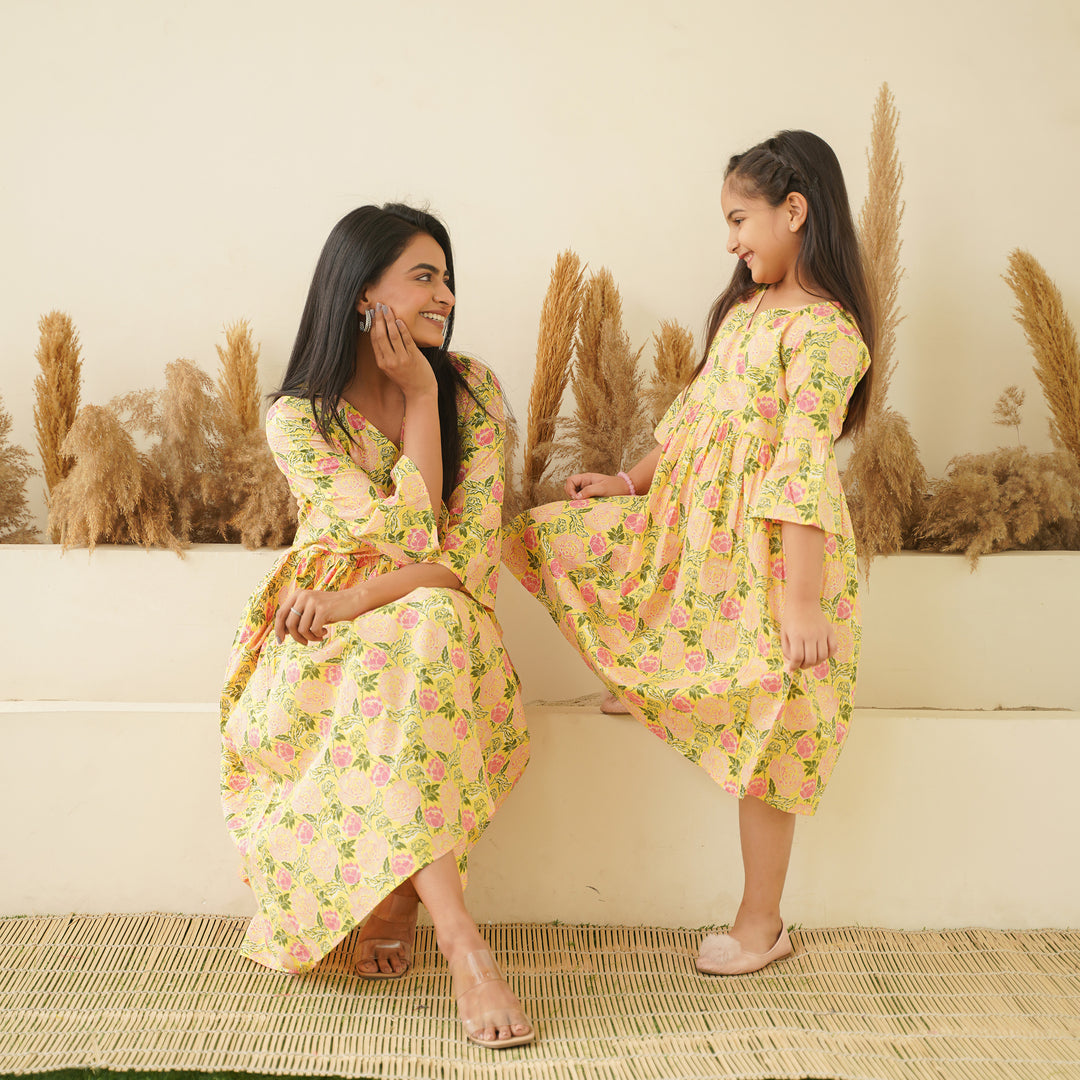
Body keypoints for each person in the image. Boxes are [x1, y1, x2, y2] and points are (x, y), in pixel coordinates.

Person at [504, 131, 874, 976]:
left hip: (772, 551)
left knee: (776, 723)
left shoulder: (826, 335)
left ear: (795, 210)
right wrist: (627, 483)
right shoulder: (745, 315)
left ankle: (761, 923)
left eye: (740, 219)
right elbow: (689, 422)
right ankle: (653, 683)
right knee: (556, 538)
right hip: (693, 531)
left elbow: (803, 467)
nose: (732, 241)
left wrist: (801, 600)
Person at [221, 204, 534, 1047]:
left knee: (427, 620)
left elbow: (461, 555)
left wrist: (426, 396)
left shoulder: (471, 389)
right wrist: (346, 603)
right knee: (415, 634)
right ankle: (452, 933)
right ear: (363, 293)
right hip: (318, 626)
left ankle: (423, 913)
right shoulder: (299, 416)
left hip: (423, 609)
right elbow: (400, 532)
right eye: (423, 276)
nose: (446, 295)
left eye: (447, 277)